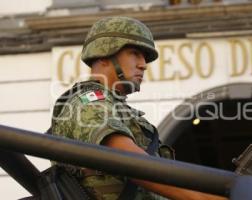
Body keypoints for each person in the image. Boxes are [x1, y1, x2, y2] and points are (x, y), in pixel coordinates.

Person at [51, 16, 227, 200]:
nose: (143, 64)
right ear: (103, 54)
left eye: (144, 57)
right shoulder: (88, 101)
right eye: (135, 53)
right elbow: (127, 159)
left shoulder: (119, 109)